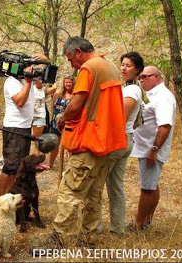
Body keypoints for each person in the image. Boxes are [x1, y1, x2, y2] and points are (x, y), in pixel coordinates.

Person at [35, 36, 127, 250]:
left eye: (70, 59)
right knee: (93, 194)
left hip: (88, 142)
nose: (71, 65)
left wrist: (62, 118)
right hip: (105, 143)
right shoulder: (111, 67)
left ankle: (60, 239)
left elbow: (75, 105)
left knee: (70, 191)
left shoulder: (88, 69)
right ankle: (89, 238)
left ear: (78, 51)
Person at [100, 51, 145, 235]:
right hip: (125, 141)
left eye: (129, 65)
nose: (124, 68)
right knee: (115, 185)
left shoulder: (133, 90)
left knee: (96, 183)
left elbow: (120, 118)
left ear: (138, 70)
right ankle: (117, 229)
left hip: (119, 141)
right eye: (123, 64)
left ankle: (93, 228)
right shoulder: (126, 87)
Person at [129, 66, 176, 231]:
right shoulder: (152, 95)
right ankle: (146, 220)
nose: (141, 80)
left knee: (147, 187)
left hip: (152, 148)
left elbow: (165, 126)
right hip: (146, 147)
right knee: (152, 184)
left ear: (156, 77)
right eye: (140, 77)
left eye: (145, 77)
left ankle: (138, 224)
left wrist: (154, 149)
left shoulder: (163, 97)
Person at [0, 54, 48, 196]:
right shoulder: (11, 82)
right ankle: (4, 200)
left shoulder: (27, 80)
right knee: (11, 167)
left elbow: (47, 74)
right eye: (25, 66)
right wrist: (27, 82)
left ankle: (13, 199)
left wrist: (43, 59)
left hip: (25, 127)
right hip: (15, 128)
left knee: (19, 165)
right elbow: (20, 101)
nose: (28, 69)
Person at [47, 74, 74, 168]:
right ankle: (50, 163)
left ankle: (70, 166)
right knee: (55, 144)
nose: (68, 84)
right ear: (64, 83)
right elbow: (52, 105)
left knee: (70, 146)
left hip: (69, 124)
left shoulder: (75, 96)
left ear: (73, 83)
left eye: (70, 82)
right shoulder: (58, 94)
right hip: (56, 123)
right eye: (66, 82)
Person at [31, 78, 57, 156]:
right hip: (28, 116)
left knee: (37, 140)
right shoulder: (31, 89)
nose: (40, 81)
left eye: (42, 79)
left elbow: (55, 88)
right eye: (38, 79)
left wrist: (53, 80)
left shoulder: (44, 90)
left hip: (39, 116)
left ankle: (36, 159)